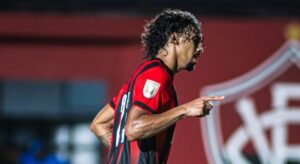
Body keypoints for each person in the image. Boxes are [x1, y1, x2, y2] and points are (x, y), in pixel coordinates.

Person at [91, 9, 224, 164]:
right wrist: (186, 109)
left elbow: (98, 124)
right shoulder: (156, 75)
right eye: (196, 39)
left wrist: (123, 152)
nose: (200, 48)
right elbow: (134, 128)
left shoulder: (138, 79)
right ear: (175, 38)